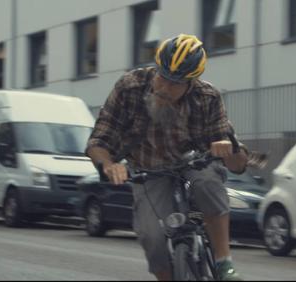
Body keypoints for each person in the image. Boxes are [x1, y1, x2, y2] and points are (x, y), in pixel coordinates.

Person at [86, 34, 248, 281]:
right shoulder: (129, 87)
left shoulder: (208, 97)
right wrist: (108, 164)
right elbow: (99, 139)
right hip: (148, 169)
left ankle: (224, 262)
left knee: (207, 182)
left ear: (191, 82)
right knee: (151, 236)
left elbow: (239, 164)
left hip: (195, 163)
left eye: (175, 83)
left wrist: (229, 149)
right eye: (163, 77)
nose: (164, 87)